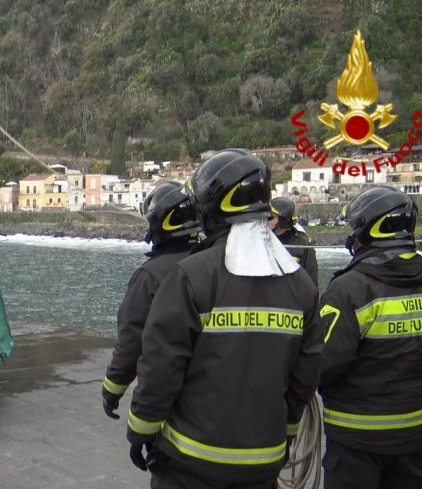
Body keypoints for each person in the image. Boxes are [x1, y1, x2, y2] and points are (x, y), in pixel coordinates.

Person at [125, 149, 322, 488]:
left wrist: (140, 430)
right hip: (263, 462)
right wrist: (286, 430)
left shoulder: (189, 276)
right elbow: (305, 373)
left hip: (189, 462)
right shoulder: (301, 285)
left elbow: (161, 365)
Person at [315, 186, 422, 489]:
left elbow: (322, 367)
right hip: (416, 437)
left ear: (368, 232)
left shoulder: (347, 292)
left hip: (354, 440)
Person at [102, 182, 200, 420]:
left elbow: (132, 341)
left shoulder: (150, 276)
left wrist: (112, 389)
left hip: (175, 404)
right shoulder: (215, 264)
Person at [268, 196, 318, 286]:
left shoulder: (304, 245)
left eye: (270, 217)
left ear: (282, 221)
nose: (265, 221)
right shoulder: (261, 241)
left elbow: (312, 284)